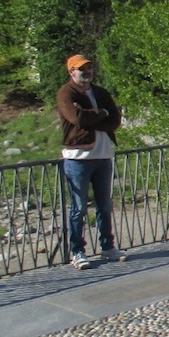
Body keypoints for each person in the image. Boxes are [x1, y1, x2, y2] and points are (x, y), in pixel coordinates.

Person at [57, 54, 124, 270]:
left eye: (88, 68)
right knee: (78, 207)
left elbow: (114, 119)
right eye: (80, 69)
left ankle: (108, 247)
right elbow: (78, 118)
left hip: (103, 155)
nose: (86, 72)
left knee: (104, 205)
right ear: (71, 72)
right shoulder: (66, 93)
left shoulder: (101, 92)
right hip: (78, 159)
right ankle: (77, 252)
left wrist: (96, 116)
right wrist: (100, 114)